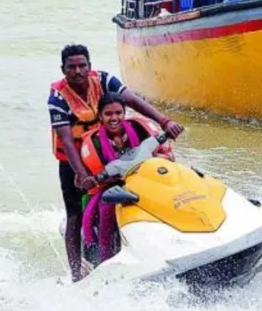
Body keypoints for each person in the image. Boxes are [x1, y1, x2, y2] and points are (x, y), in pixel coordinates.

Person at [48, 43, 184, 282]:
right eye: (72, 67)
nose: (78, 71)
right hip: (75, 161)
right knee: (74, 215)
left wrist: (165, 121)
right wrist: (81, 174)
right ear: (64, 70)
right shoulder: (58, 97)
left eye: (82, 66)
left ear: (90, 67)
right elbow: (67, 141)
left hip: (107, 151)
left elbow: (133, 101)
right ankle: (77, 273)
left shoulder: (103, 80)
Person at [77, 91, 176, 263]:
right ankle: (106, 259)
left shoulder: (139, 129)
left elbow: (165, 154)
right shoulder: (95, 142)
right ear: (100, 116)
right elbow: (83, 179)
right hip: (112, 188)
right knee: (106, 207)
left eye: (118, 113)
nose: (114, 118)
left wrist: (163, 158)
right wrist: (88, 179)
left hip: (148, 178)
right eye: (108, 114)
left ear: (124, 113)